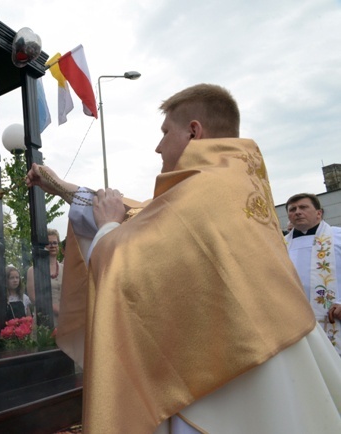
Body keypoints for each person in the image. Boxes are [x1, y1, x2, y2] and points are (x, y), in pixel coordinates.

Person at [26, 84, 341, 433]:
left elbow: (128, 260)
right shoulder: (229, 183)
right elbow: (142, 217)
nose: (158, 146)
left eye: (164, 133)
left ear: (194, 131)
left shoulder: (206, 192)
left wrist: (107, 231)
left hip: (223, 385)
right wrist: (60, 186)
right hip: (272, 363)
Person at [285, 193, 341, 354]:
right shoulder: (280, 245)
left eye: (303, 207)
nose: (297, 212)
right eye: (292, 209)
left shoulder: (338, 236)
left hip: (333, 315)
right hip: (295, 321)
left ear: (319, 213)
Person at [26, 228, 64, 327]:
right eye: (49, 243)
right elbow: (33, 297)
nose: (52, 246)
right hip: (44, 320)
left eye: (55, 243)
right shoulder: (33, 270)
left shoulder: (65, 269)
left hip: (64, 319)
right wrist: (56, 309)